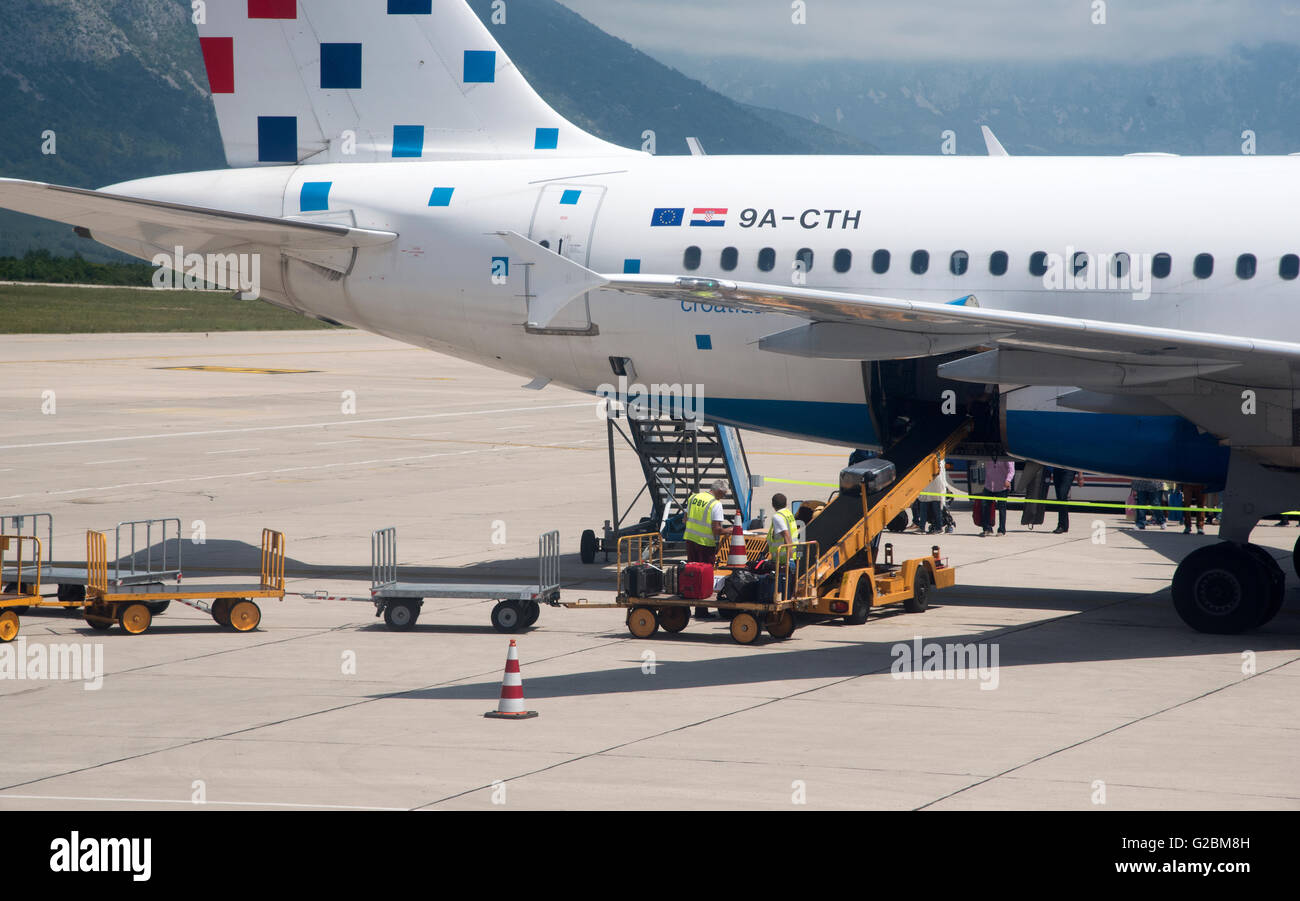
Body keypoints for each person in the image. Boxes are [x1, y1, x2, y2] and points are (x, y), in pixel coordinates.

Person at [684, 480, 729, 618]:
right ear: (719, 491)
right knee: (705, 577)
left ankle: (694, 605)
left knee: (692, 574)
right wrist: (728, 531)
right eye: (724, 494)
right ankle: (701, 610)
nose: (724, 497)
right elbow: (716, 530)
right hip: (705, 544)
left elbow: (685, 519)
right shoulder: (716, 504)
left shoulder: (693, 497)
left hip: (690, 540)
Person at [981, 455, 1015, 536]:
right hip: (989, 485)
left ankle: (1001, 530)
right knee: (985, 506)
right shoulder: (988, 455)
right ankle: (987, 528)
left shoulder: (1006, 456)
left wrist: (1008, 480)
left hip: (1002, 486)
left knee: (1002, 508)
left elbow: (1011, 470)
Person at [1048, 467, 1081, 534]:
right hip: (1057, 469)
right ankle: (1064, 525)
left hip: (1069, 470)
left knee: (1062, 494)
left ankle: (1061, 526)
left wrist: (1080, 475)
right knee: (1060, 498)